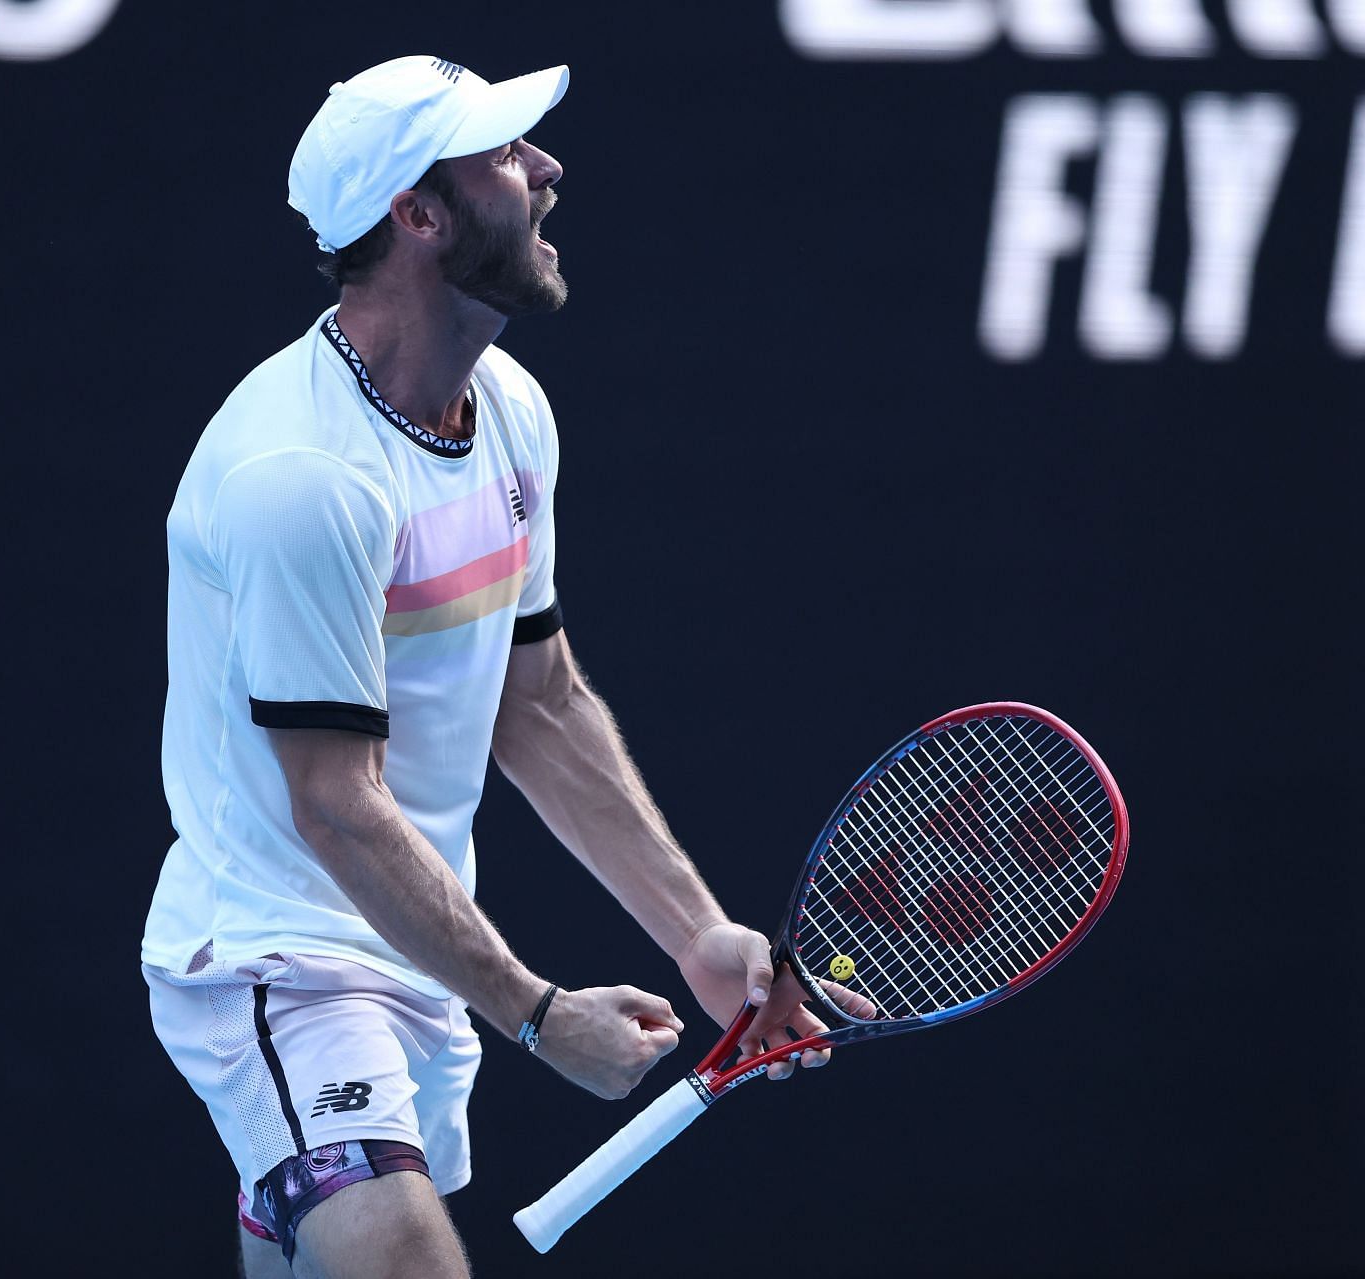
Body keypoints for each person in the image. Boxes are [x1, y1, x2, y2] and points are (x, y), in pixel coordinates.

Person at [141, 56, 841, 1279]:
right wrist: (533, 1012)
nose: (550, 171)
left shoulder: (509, 410)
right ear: (418, 214)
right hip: (276, 956)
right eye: (510, 155)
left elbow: (544, 703)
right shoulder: (304, 479)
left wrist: (697, 936)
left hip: (408, 950)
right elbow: (337, 805)